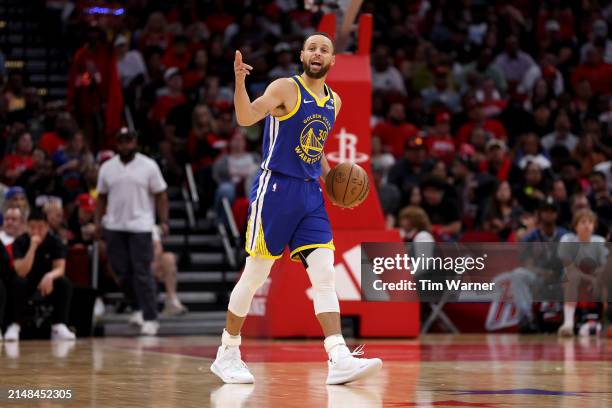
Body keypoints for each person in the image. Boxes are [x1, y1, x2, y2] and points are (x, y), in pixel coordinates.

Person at [211, 33, 382, 385]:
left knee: (324, 273)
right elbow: (245, 118)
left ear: (332, 61)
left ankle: (338, 356)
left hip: (310, 193)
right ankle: (227, 351)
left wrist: (332, 178)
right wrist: (240, 82)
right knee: (256, 273)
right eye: (312, 48)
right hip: (275, 189)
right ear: (303, 55)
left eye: (325, 50)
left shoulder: (334, 101)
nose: (317, 53)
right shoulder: (285, 89)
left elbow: (314, 147)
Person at [95, 127, 169, 336]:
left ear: (135, 142)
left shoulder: (148, 165)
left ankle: (151, 317)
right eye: (122, 141)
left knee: (142, 272)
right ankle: (137, 307)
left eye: (129, 141)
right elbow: (101, 196)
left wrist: (163, 221)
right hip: (114, 226)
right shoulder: (107, 168)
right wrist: (98, 221)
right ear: (116, 143)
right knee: (120, 271)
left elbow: (161, 194)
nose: (126, 145)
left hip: (141, 226)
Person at [4, 210, 75, 341]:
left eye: (40, 227)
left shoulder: (55, 242)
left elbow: (60, 268)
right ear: (26, 226)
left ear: (47, 227)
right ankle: (14, 325)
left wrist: (50, 276)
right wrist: (32, 247)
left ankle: (59, 325)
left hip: (46, 283)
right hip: (26, 281)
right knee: (17, 282)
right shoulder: (20, 242)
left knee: (64, 283)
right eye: (32, 227)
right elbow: (21, 271)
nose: (36, 231)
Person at [557, 209, 608, 337]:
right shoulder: (567, 240)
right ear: (575, 226)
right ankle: (568, 324)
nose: (587, 225)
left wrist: (597, 278)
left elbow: (604, 268)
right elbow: (570, 268)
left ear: (594, 226)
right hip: (570, 282)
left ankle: (607, 323)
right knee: (572, 276)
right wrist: (591, 279)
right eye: (583, 222)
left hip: (594, 281)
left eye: (590, 222)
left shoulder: (600, 242)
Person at [151, 225, 188, 316]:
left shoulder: (150, 225)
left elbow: (158, 248)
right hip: (133, 263)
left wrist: (153, 263)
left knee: (169, 258)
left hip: (148, 262)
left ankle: (171, 301)